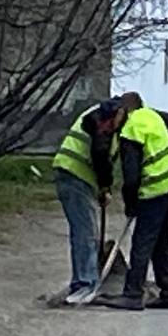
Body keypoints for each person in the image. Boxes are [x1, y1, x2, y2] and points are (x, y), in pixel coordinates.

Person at [100, 93, 168, 311]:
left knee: (142, 240)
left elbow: (131, 177)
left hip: (158, 186)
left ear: (124, 111)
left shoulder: (131, 129)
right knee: (161, 240)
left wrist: (131, 204)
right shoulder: (150, 115)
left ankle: (132, 294)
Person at [51, 99, 123, 305]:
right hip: (76, 176)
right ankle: (84, 285)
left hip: (71, 173)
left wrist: (102, 188)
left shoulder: (98, 114)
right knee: (86, 232)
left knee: (85, 231)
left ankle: (84, 279)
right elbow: (101, 155)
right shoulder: (106, 124)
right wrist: (104, 186)